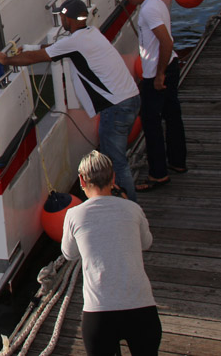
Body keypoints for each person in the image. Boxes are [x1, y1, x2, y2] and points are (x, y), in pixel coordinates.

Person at [0, 0, 141, 201]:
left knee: (116, 162)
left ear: (67, 18)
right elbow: (59, 47)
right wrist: (28, 47)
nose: (60, 19)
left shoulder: (75, 42)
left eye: (61, 16)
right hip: (131, 98)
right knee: (116, 158)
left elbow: (39, 58)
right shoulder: (90, 33)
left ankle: (129, 208)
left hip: (116, 107)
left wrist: (6, 60)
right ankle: (122, 202)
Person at [62, 150, 161, 356]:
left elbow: (69, 254)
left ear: (81, 179)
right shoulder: (132, 208)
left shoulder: (74, 215)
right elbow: (146, 243)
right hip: (141, 309)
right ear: (113, 177)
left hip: (99, 315)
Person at [119, 0, 187, 192]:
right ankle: (177, 161)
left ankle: (158, 174)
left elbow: (166, 41)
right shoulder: (157, 3)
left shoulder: (148, 10)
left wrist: (159, 75)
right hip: (169, 67)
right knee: (172, 115)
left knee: (151, 123)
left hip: (157, 73)